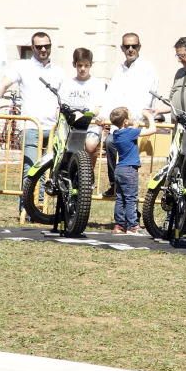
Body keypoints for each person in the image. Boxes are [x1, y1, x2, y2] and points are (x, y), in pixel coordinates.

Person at [0, 32, 65, 202]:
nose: (43, 49)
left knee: (48, 169)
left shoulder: (59, 71)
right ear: (32, 47)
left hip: (53, 129)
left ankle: (40, 205)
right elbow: (4, 84)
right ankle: (27, 208)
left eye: (47, 46)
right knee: (31, 168)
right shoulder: (22, 66)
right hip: (31, 126)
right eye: (39, 46)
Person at [100, 33, 159, 198]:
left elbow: (149, 96)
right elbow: (110, 94)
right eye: (127, 46)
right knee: (110, 143)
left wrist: (138, 119)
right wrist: (105, 116)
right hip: (119, 124)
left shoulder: (147, 69)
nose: (131, 49)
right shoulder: (119, 69)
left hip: (135, 125)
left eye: (134, 46)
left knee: (128, 166)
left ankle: (130, 202)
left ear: (139, 47)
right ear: (122, 48)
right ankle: (115, 185)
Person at [107, 106, 156, 235]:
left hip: (119, 169)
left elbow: (129, 131)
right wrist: (149, 116)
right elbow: (153, 130)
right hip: (129, 169)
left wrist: (134, 125)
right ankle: (133, 226)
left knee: (120, 198)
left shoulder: (116, 134)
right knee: (130, 198)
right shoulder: (130, 133)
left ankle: (119, 225)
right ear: (125, 122)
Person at [62, 47, 106, 161]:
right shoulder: (67, 83)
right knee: (69, 151)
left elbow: (99, 107)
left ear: (91, 65)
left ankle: (88, 176)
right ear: (74, 64)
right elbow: (62, 105)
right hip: (71, 124)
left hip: (91, 124)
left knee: (90, 146)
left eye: (86, 65)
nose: (82, 69)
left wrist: (87, 115)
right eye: (79, 65)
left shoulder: (98, 84)